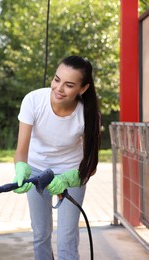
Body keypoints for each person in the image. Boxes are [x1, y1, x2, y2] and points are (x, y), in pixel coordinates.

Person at [13, 55, 101, 260]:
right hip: (36, 169)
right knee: (40, 234)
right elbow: (21, 149)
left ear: (83, 88)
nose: (59, 88)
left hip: (72, 173)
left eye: (69, 85)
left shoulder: (88, 114)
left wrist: (69, 179)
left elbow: (91, 164)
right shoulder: (33, 100)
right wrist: (20, 168)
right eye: (56, 79)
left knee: (67, 239)